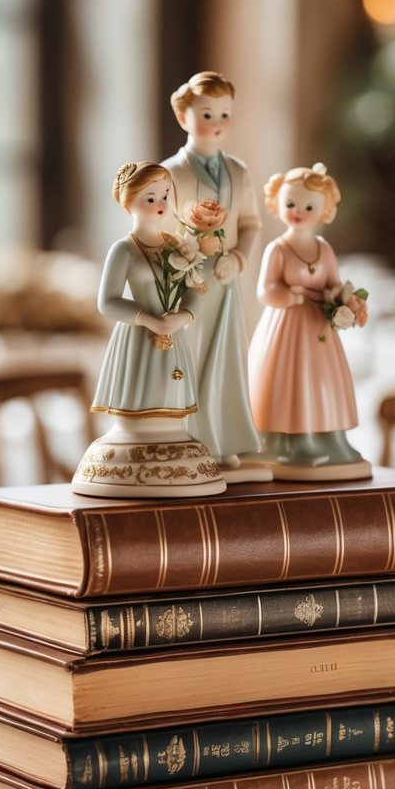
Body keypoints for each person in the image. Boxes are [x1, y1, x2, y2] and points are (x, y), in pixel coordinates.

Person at [72, 161, 224, 497]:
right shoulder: (123, 250)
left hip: (173, 335)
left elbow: (195, 290)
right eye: (150, 197)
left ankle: (170, 431)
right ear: (128, 203)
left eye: (165, 195)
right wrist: (147, 318)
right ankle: (138, 432)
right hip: (139, 337)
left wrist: (183, 317)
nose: (161, 204)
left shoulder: (178, 244)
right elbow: (108, 302)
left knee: (173, 389)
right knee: (142, 389)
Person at [162, 71, 271, 481]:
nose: (217, 122)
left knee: (226, 358)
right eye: (207, 113)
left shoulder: (238, 172)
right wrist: (185, 251)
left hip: (225, 281)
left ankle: (222, 440)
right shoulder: (171, 173)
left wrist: (240, 258)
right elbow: (157, 226)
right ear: (184, 116)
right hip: (186, 280)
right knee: (188, 355)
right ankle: (185, 436)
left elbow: (251, 224)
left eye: (225, 113)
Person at [248, 163, 371, 480]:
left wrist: (344, 301)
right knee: (288, 380)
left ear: (323, 210)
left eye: (308, 206)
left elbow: (334, 282)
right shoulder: (277, 249)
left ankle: (329, 439)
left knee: (321, 382)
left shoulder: (324, 249)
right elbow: (265, 290)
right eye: (291, 204)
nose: (298, 212)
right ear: (278, 205)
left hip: (319, 327)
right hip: (286, 326)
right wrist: (290, 296)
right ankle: (284, 442)